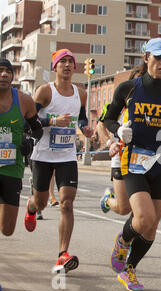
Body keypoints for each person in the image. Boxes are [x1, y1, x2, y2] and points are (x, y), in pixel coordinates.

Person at [103, 38, 161, 291]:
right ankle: (124, 239)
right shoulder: (128, 88)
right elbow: (108, 118)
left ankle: (130, 269)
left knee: (151, 225)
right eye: (159, 58)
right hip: (134, 161)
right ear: (146, 58)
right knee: (144, 217)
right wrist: (120, 131)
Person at [24, 49, 93, 273]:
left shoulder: (80, 93)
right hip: (43, 155)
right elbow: (29, 122)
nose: (66, 65)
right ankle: (32, 207)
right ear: (55, 67)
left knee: (67, 202)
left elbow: (81, 116)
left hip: (67, 155)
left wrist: (85, 128)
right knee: (42, 201)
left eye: (70, 62)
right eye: (62, 62)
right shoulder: (45, 91)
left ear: (75, 67)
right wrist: (53, 120)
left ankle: (62, 254)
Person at [0, 58, 43, 238]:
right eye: (0, 70)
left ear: (12, 76)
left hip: (12, 169)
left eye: (8, 71)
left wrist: (29, 141)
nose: (3, 74)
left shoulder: (24, 100)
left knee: (7, 230)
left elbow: (37, 130)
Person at [98, 66, 142, 216]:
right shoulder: (117, 105)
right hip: (120, 158)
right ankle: (108, 200)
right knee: (124, 208)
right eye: (136, 79)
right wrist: (110, 143)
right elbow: (100, 126)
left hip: (142, 159)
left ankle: (129, 237)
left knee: (140, 208)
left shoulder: (151, 105)